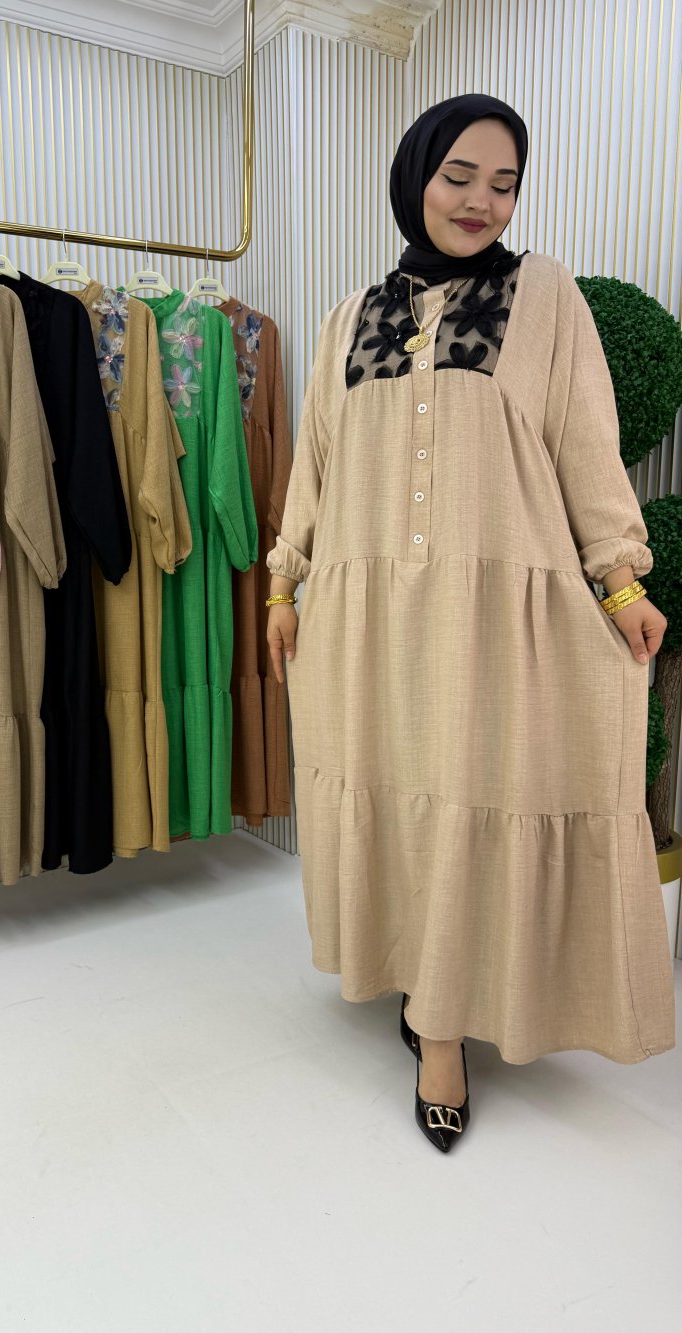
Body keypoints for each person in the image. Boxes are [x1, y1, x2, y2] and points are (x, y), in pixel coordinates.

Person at [265, 93, 675, 1153]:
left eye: (503, 183)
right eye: (458, 176)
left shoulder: (546, 299)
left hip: (491, 620)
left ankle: (446, 1017)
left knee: (476, 796)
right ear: (415, 176)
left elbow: (586, 447)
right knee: (397, 798)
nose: (480, 201)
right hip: (362, 621)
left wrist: (619, 580)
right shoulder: (346, 318)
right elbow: (314, 465)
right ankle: (423, 1002)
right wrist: (284, 581)